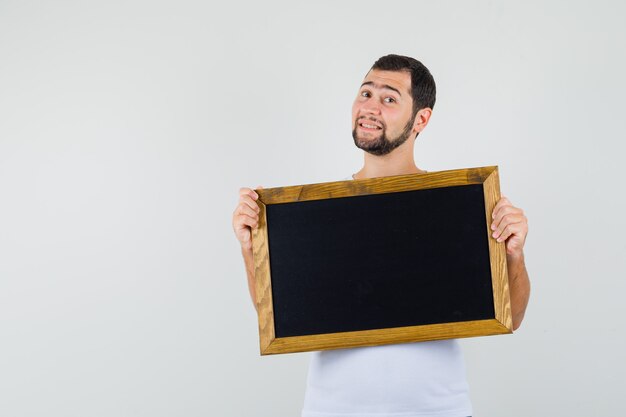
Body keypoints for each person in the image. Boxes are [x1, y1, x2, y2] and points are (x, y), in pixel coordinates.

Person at [232, 54, 531, 417]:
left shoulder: (460, 208)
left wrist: (513, 253)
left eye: (389, 98)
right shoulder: (313, 217)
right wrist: (251, 249)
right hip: (332, 409)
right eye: (365, 94)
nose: (370, 107)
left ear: (422, 118)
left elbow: (511, 316)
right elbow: (278, 315)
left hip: (439, 410)